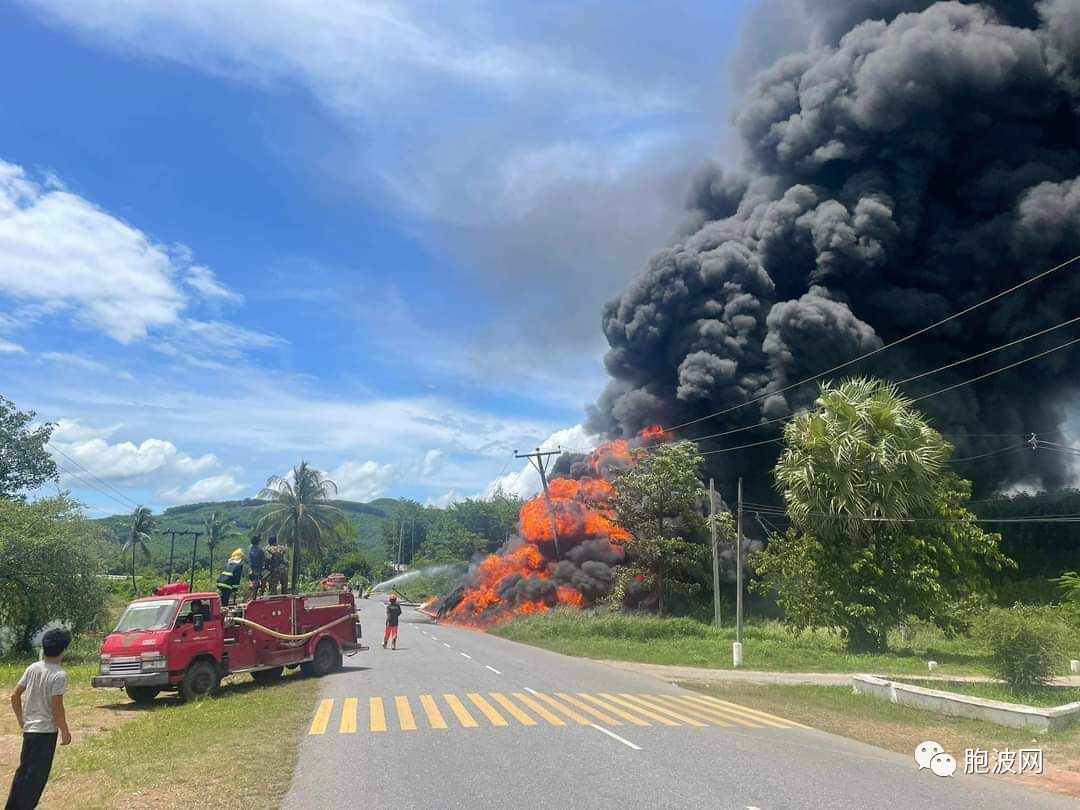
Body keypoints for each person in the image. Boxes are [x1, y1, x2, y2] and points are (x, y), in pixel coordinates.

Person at [6, 627, 72, 810]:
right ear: (64, 650)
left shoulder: (33, 668)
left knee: (23, 772)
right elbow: (56, 706)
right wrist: (65, 730)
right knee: (36, 777)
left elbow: (14, 695)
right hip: (46, 732)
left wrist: (21, 719)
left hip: (30, 730)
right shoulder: (59, 675)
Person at [247, 535, 267, 600]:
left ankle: (253, 598)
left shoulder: (250, 548)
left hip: (251, 569)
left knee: (254, 586)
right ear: (258, 542)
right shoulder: (260, 550)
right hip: (259, 569)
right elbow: (265, 559)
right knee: (265, 577)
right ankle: (261, 594)